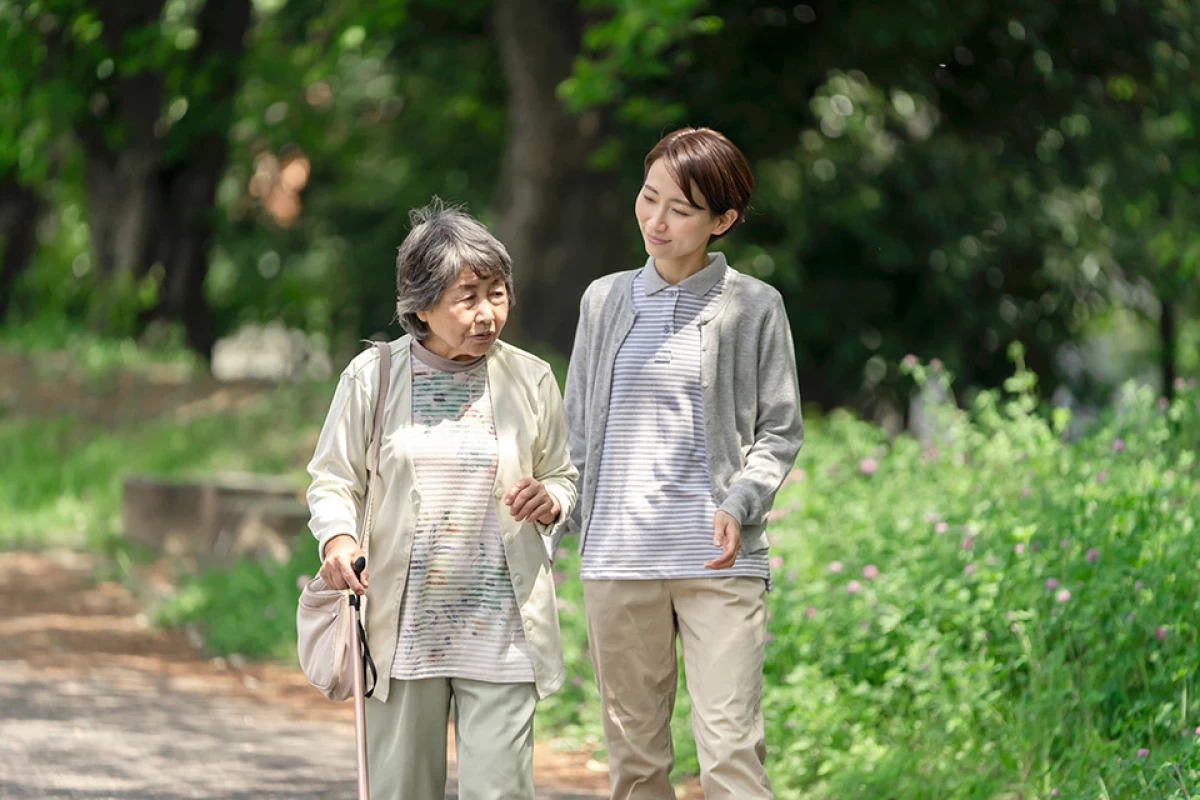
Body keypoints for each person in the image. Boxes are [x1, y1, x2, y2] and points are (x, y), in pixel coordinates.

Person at [306, 200, 577, 800]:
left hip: (502, 629)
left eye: (498, 293)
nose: (488, 314)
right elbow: (333, 478)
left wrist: (551, 500)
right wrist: (338, 538)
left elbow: (562, 474)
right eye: (469, 297)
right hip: (403, 629)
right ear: (421, 305)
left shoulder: (531, 379)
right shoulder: (371, 378)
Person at [564, 128, 804, 799]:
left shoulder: (755, 307)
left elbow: (780, 430)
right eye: (648, 199)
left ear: (722, 221)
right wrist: (559, 514)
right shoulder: (603, 301)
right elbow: (576, 430)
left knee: (730, 753)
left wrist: (740, 503)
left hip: (718, 565)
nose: (656, 221)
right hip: (618, 561)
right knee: (636, 765)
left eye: (681, 209)